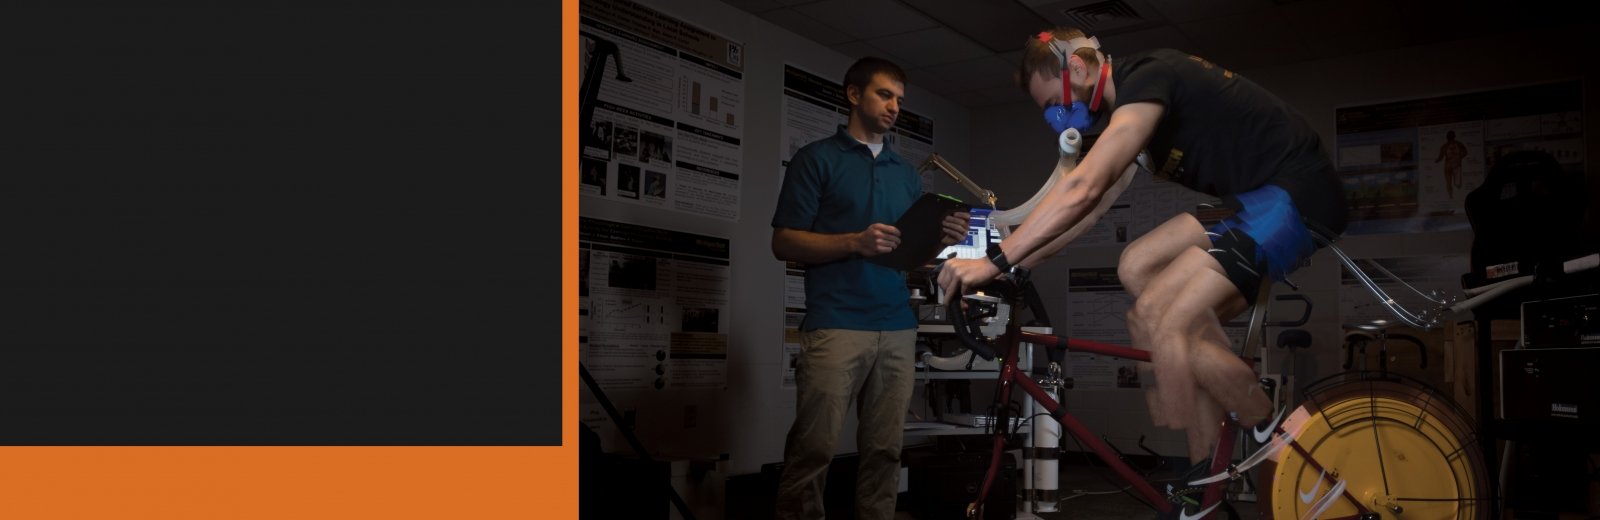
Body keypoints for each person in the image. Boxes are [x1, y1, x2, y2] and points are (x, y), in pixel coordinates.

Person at [936, 27, 1347, 496]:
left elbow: (1083, 187)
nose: (1055, 116)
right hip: (1252, 201)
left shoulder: (1148, 77)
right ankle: (1206, 469)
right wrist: (1017, 268)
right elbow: (1085, 214)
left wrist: (991, 262)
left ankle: (1270, 426)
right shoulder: (1127, 117)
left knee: (1161, 317)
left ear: (1077, 69)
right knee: (1136, 265)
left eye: (1054, 102)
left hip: (1299, 194)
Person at [771, 56, 969, 520]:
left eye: (900, 99)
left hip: (897, 327)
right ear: (854, 95)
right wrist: (854, 241)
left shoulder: (905, 173)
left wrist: (941, 239)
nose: (895, 106)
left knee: (884, 451)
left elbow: (904, 255)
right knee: (812, 450)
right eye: (885, 94)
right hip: (836, 323)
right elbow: (783, 242)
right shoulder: (815, 158)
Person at [1435, 130, 1468, 199]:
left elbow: (1440, 157)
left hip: (1451, 166)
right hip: (1452, 166)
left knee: (1455, 183)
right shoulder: (1457, 144)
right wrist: (1459, 157)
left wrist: (1437, 160)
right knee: (1453, 183)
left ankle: (1453, 197)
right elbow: (1465, 152)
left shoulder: (1446, 146)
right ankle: (1452, 197)